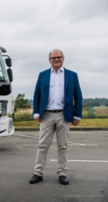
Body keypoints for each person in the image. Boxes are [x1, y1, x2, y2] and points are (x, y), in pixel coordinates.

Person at [29, 49, 83, 185]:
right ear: (49, 60)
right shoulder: (43, 75)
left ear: (63, 58)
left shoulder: (72, 75)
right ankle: (38, 173)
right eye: (53, 58)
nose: (56, 60)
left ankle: (62, 173)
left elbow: (78, 96)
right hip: (46, 115)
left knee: (63, 146)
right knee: (42, 146)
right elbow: (37, 94)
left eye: (59, 57)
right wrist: (36, 112)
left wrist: (77, 115)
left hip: (64, 115)